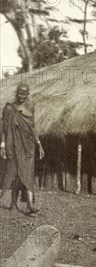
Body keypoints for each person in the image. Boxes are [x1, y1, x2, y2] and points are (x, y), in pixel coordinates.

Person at [0, 82, 44, 214]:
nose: (21, 96)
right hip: (12, 145)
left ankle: (30, 205)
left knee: (27, 174)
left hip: (28, 146)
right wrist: (2, 145)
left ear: (27, 94)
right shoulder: (9, 108)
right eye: (20, 93)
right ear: (16, 93)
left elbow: (33, 127)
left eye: (24, 94)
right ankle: (13, 203)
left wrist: (39, 144)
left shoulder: (31, 108)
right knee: (13, 174)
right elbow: (3, 128)